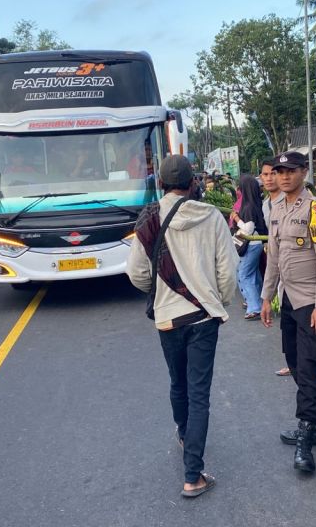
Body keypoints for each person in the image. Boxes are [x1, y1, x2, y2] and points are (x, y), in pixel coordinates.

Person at [126, 155, 238, 499]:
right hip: (203, 318)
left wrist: (159, 293)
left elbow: (137, 274)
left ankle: (182, 432)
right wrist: (215, 300)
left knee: (178, 382)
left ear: (160, 184)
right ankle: (193, 476)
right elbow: (226, 273)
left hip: (168, 319)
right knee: (199, 393)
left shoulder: (149, 220)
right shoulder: (213, 218)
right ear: (194, 183)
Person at [260, 150, 316, 474]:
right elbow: (274, 257)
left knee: (308, 369)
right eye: (279, 171)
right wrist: (266, 297)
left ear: (304, 172)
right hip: (288, 300)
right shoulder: (276, 209)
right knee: (293, 362)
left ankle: (306, 435)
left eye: (291, 170)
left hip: (310, 303)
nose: (284, 175)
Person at [234, 175, 267, 320]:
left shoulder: (247, 207)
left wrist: (236, 219)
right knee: (254, 275)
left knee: (244, 274)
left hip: (251, 244)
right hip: (257, 244)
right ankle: (257, 302)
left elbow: (248, 229)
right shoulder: (256, 204)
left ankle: (254, 307)